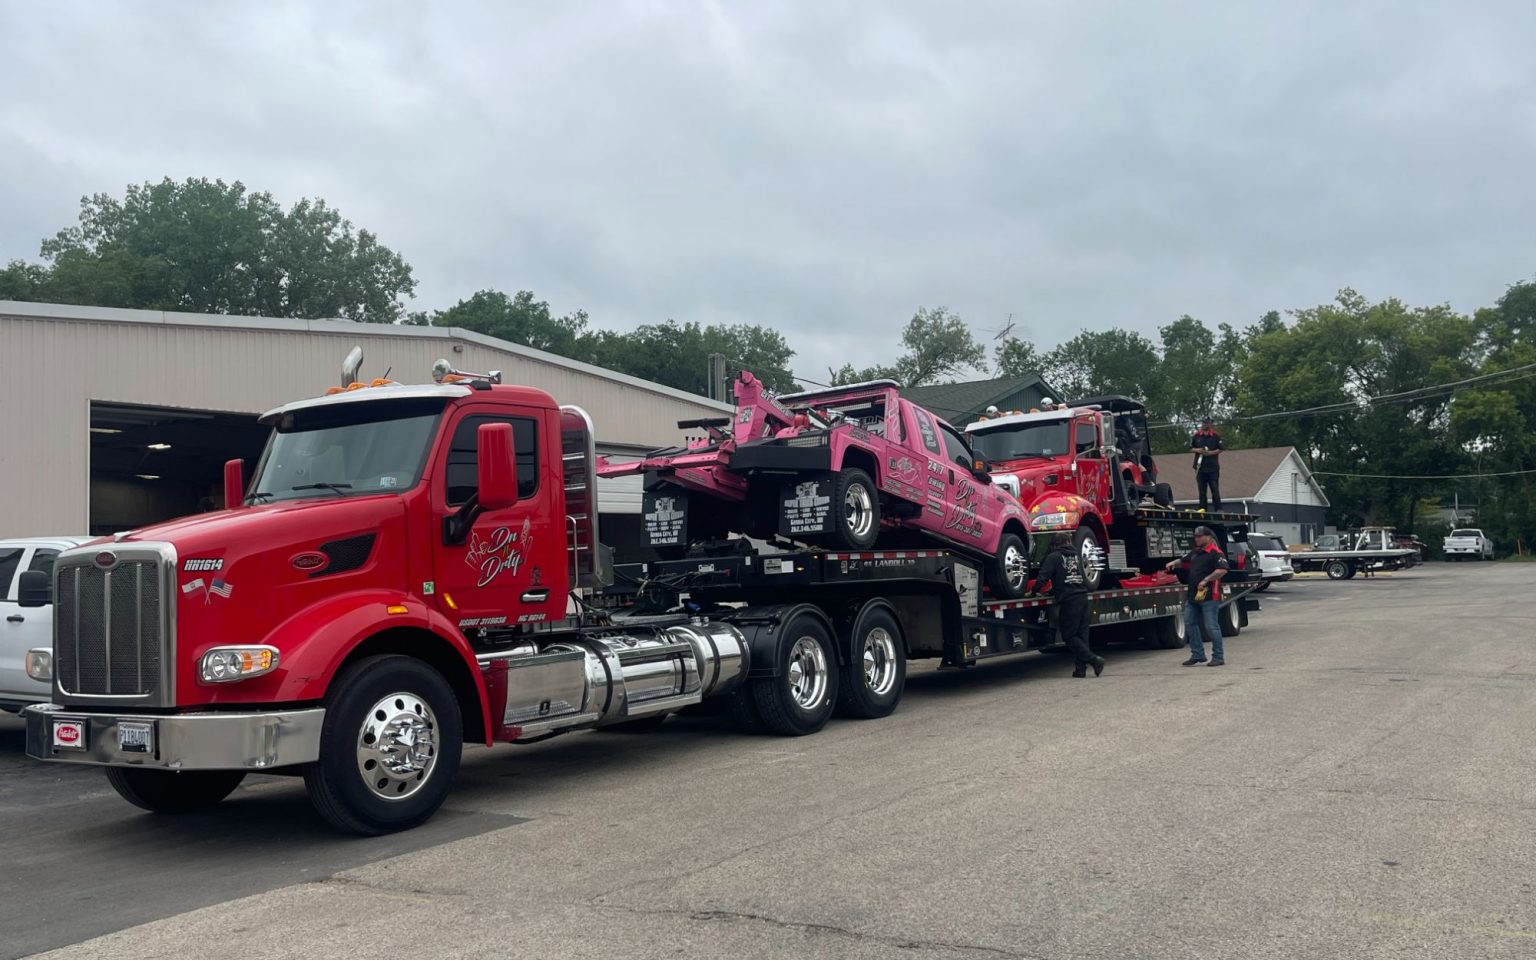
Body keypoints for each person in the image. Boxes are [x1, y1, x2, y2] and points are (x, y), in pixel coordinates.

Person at [1035, 531, 1105, 678]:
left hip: (1070, 601)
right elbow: (1070, 577)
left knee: (1069, 636)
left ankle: (1094, 660)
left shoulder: (1053, 557)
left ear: (1054, 544)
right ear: (1068, 542)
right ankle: (1080, 670)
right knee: (1082, 635)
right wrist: (1054, 590)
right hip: (1082, 597)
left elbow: (1043, 577)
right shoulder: (1076, 556)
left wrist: (1033, 591)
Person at [1165, 525, 1230, 666]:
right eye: (1195, 536)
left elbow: (1222, 570)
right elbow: (1183, 561)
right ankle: (1198, 654)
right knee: (1189, 622)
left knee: (1211, 627)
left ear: (1209, 537)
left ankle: (1218, 657)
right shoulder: (1195, 552)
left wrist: (1206, 579)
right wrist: (1173, 563)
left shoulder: (1216, 553)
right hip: (1193, 596)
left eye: (1200, 536)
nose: (1197, 539)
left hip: (1210, 596)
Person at [1189, 417, 1224, 511]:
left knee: (1215, 489)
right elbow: (1190, 448)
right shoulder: (1196, 436)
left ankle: (1218, 508)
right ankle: (1202, 508)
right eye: (1203, 422)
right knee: (1202, 490)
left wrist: (1210, 453)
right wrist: (1198, 450)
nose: (1205, 424)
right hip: (1200, 467)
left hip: (1212, 467)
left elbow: (1221, 449)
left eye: (1207, 423)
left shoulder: (1216, 436)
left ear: (1210, 424)